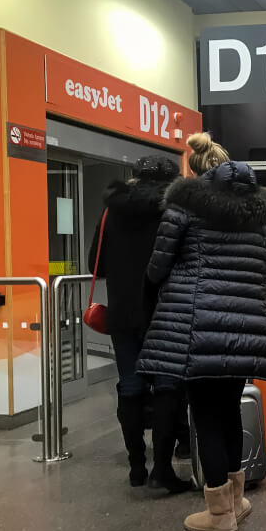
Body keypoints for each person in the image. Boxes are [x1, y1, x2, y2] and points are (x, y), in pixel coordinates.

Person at [136, 159, 266, 531]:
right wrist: (257, 284)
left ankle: (218, 513)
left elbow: (156, 268)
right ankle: (237, 501)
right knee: (227, 412)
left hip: (197, 326)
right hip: (246, 327)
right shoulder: (265, 219)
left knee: (206, 416)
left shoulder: (185, 211)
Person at [87, 154, 189, 491]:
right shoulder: (173, 212)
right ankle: (163, 468)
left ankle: (136, 466)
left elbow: (96, 266)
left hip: (122, 314)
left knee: (130, 385)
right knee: (167, 386)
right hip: (165, 313)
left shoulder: (110, 212)